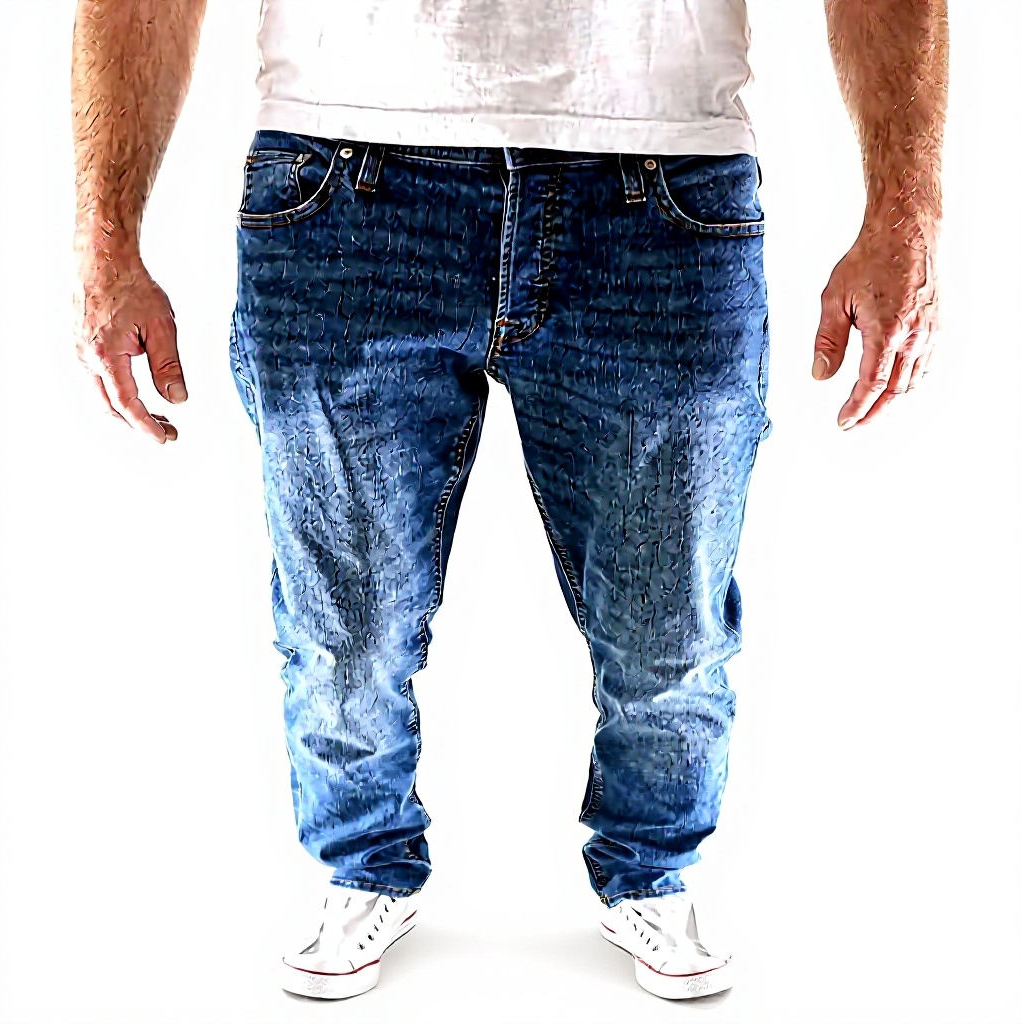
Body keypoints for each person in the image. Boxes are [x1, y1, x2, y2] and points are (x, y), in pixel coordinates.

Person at [70, 0, 947, 1003]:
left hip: (660, 178)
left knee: (670, 626)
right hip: (341, 178)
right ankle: (361, 862)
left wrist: (905, 212)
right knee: (345, 629)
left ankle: (652, 868)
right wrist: (104, 235)